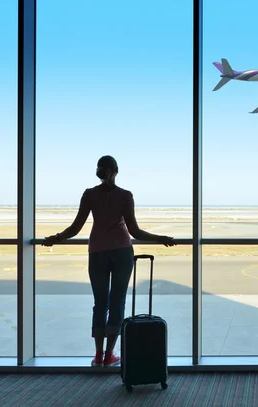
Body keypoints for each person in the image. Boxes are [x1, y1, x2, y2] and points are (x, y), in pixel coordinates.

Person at [42, 155, 175, 367]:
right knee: (117, 301)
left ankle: (98, 354)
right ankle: (110, 354)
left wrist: (55, 238)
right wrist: (161, 238)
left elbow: (76, 227)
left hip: (97, 252)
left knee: (100, 303)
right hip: (122, 252)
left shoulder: (89, 195)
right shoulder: (125, 196)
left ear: (99, 171)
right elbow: (135, 231)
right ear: (116, 170)